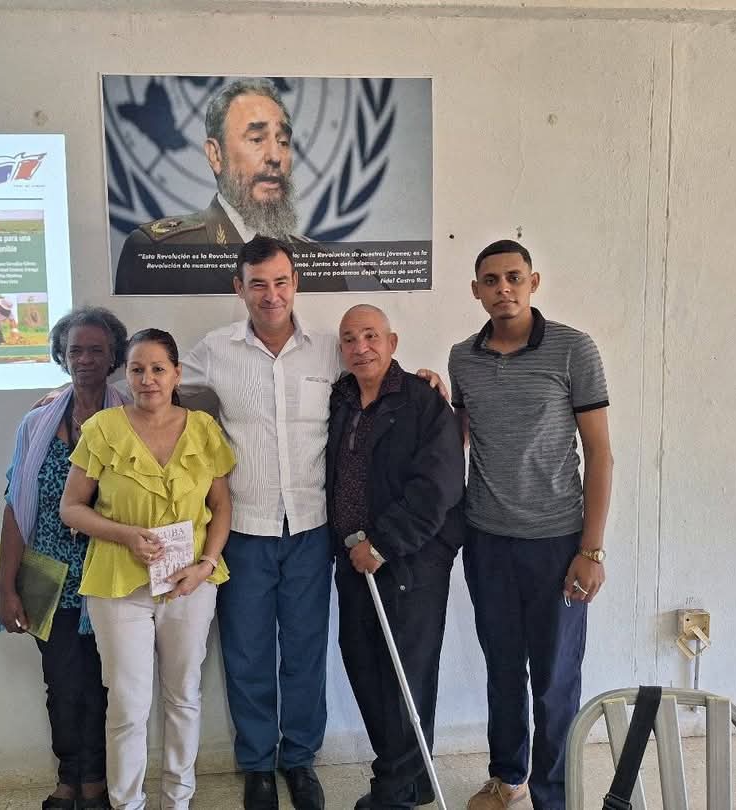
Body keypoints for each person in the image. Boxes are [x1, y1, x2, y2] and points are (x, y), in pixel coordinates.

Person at [179, 235, 448, 810]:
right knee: (247, 652)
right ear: (239, 288)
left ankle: (299, 760)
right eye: (257, 284)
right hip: (245, 529)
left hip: (311, 530)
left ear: (295, 283)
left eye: (280, 281)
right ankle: (256, 764)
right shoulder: (213, 350)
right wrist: (71, 392)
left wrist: (427, 381)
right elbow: (151, 382)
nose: (270, 295)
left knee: (304, 651)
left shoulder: (329, 349)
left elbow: (381, 375)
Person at [447, 240, 613, 810]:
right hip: (487, 540)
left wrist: (591, 550)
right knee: (501, 668)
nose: (503, 289)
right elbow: (458, 441)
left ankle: (553, 794)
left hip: (558, 542)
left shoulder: (573, 349)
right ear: (475, 290)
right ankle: (508, 777)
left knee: (555, 678)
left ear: (533, 281)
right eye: (490, 280)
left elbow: (601, 454)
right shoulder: (462, 358)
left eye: (513, 277)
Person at [60, 328, 236, 810]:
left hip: (190, 584)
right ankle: (128, 803)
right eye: (138, 369)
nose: (148, 379)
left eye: (159, 368)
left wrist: (205, 564)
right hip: (118, 584)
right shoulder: (102, 430)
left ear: (177, 373)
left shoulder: (203, 428)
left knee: (184, 696)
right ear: (127, 374)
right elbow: (71, 508)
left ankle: (178, 801)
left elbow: (221, 507)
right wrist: (125, 535)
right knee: (128, 706)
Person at [327, 304, 465, 810]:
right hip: (353, 562)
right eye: (349, 339)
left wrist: (383, 544)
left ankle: (396, 791)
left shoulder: (423, 401)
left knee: (404, 675)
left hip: (408, 561)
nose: (360, 347)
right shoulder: (342, 399)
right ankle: (409, 775)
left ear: (393, 341)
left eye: (370, 336)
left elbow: (440, 484)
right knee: (364, 665)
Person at [0, 305, 130, 810]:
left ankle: (96, 783)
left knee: (102, 685)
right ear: (61, 355)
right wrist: (9, 588)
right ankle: (68, 781)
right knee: (61, 685)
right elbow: (15, 507)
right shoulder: (36, 423)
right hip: (47, 573)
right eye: (76, 350)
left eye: (97, 350)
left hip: (110, 573)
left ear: (114, 355)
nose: (85, 359)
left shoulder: (130, 418)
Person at [114, 78, 369, 295]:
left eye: (283, 141)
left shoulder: (321, 265)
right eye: (257, 139)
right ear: (216, 155)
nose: (275, 156)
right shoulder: (156, 252)